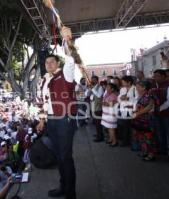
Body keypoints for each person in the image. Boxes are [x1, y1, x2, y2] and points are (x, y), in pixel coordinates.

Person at [36, 27, 77, 199]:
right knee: (58, 156)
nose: (49, 64)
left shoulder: (65, 74)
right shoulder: (44, 80)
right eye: (47, 63)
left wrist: (67, 41)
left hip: (64, 120)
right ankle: (63, 186)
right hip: (52, 121)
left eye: (53, 62)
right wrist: (41, 120)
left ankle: (70, 193)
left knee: (65, 157)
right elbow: (41, 102)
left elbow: (70, 59)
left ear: (58, 64)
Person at [132, 81, 156, 161]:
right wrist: (135, 112)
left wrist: (138, 113)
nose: (136, 88)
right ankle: (145, 151)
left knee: (149, 138)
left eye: (138, 87)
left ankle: (151, 154)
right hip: (140, 119)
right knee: (141, 136)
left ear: (144, 87)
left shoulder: (149, 95)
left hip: (147, 120)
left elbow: (149, 107)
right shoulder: (140, 95)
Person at [151, 69, 169, 159]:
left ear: (163, 76)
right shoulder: (155, 86)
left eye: (157, 76)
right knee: (160, 132)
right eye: (154, 76)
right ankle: (162, 150)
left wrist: (160, 108)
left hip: (168, 114)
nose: (155, 78)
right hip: (157, 114)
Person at [117, 76, 137, 147]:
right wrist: (121, 98)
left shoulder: (135, 88)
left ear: (129, 82)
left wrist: (129, 99)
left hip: (131, 110)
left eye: (124, 82)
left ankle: (130, 142)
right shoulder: (122, 89)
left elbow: (137, 100)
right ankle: (125, 141)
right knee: (125, 126)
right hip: (123, 110)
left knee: (130, 127)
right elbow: (118, 98)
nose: (122, 83)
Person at [87, 76, 104, 142]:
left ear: (97, 80)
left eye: (93, 80)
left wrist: (92, 89)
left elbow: (99, 95)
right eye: (92, 79)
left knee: (98, 123)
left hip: (98, 107)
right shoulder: (92, 87)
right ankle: (98, 134)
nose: (92, 81)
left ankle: (100, 137)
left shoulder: (100, 87)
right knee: (96, 123)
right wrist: (89, 90)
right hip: (93, 106)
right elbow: (87, 95)